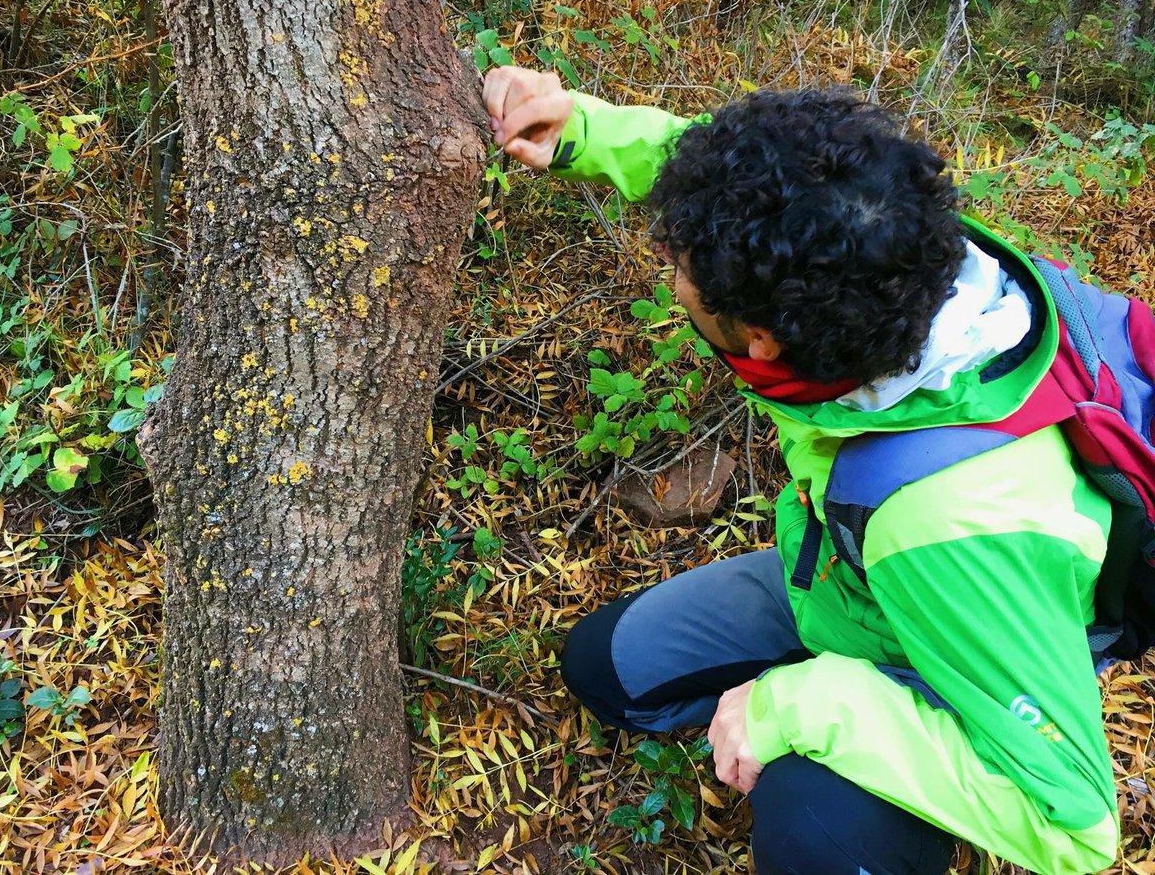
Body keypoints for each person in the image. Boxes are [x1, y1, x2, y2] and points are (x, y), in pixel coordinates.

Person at [480, 67, 1122, 875]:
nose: (672, 276)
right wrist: (582, 129)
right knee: (608, 670)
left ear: (761, 339)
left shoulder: (951, 520)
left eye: (680, 272)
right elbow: (760, 204)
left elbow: (1078, 829)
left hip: (952, 623)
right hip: (843, 582)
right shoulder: (896, 256)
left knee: (817, 829)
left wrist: (808, 706)